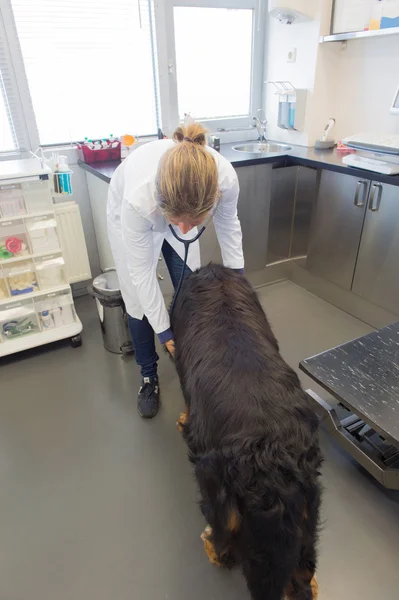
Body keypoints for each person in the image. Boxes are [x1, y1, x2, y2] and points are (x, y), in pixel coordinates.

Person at [107, 123, 244, 418]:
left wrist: (238, 284)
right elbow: (142, 274)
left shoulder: (225, 180)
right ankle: (148, 376)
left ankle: (192, 373)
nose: (183, 230)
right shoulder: (138, 200)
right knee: (137, 299)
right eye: (177, 220)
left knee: (191, 290)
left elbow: (229, 226)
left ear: (212, 198)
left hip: (172, 205)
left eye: (193, 223)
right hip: (132, 215)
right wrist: (165, 331)